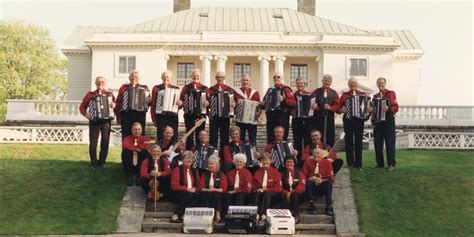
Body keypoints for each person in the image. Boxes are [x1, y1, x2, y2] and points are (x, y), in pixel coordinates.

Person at [79, 76, 115, 169]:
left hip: (106, 121)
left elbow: (116, 104)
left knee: (105, 142)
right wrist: (86, 115)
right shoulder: (90, 94)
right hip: (94, 121)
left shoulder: (109, 94)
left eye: (102, 82)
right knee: (93, 142)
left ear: (105, 83)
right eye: (99, 82)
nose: (101, 83)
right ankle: (93, 162)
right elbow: (82, 106)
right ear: (95, 83)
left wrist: (114, 105)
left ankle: (102, 162)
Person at [369, 77, 399, 171]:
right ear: (377, 84)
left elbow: (396, 107)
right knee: (377, 143)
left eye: (382, 82)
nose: (380, 84)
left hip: (388, 122)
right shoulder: (375, 96)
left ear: (385, 83)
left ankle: (391, 164)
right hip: (378, 123)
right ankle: (380, 163)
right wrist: (370, 110)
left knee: (390, 143)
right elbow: (372, 108)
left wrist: (389, 108)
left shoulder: (390, 93)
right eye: (378, 83)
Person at [339, 77, 368, 170]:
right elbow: (339, 108)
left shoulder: (363, 94)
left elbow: (369, 107)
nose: (353, 84)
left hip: (359, 121)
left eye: (354, 83)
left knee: (359, 142)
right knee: (348, 142)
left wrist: (367, 113)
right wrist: (341, 110)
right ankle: (350, 163)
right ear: (348, 85)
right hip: (348, 120)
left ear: (357, 84)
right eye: (351, 83)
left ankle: (358, 164)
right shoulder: (344, 95)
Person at [177, 69, 208, 149]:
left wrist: (207, 103)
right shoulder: (186, 87)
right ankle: (188, 152)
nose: (196, 77)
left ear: (200, 77)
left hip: (201, 115)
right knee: (189, 134)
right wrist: (181, 103)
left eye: (197, 76)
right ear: (191, 76)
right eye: (194, 75)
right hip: (189, 115)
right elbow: (182, 99)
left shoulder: (204, 88)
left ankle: (199, 150)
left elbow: (209, 101)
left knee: (200, 134)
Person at [261, 72, 296, 143]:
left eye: (278, 77)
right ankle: (271, 151)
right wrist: (263, 104)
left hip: (282, 115)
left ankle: (283, 151)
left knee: (282, 135)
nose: (276, 78)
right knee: (270, 135)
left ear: (282, 78)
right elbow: (265, 102)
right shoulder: (269, 90)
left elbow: (293, 102)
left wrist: (284, 100)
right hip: (271, 115)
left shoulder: (286, 89)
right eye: (274, 77)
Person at [115, 70, 150, 140]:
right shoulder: (124, 87)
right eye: (132, 76)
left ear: (139, 78)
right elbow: (118, 102)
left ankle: (140, 150)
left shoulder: (144, 87)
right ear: (129, 78)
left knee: (140, 134)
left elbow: (148, 102)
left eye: (136, 77)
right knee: (126, 134)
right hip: (126, 114)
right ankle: (126, 150)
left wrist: (149, 101)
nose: (134, 78)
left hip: (140, 114)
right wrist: (118, 116)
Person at [207, 71, 236, 150]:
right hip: (214, 116)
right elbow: (207, 102)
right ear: (216, 78)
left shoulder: (229, 90)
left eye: (222, 77)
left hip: (225, 116)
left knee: (224, 137)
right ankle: (213, 154)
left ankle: (224, 156)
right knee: (213, 136)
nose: (220, 79)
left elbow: (235, 101)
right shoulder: (210, 90)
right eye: (218, 77)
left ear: (224, 78)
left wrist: (234, 103)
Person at [303, 148, 335, 216]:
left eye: (318, 153)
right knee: (308, 182)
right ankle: (311, 205)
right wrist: (310, 178)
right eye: (314, 153)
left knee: (329, 183)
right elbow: (303, 176)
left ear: (322, 154)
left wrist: (322, 180)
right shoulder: (308, 162)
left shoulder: (327, 163)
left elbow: (331, 177)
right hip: (312, 186)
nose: (316, 155)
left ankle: (328, 207)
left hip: (322, 186)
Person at [170, 151, 200, 223]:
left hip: (191, 193)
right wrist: (187, 189)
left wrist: (195, 189)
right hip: (178, 192)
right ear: (182, 160)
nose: (189, 160)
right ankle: (176, 215)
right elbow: (174, 185)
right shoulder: (177, 169)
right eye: (186, 158)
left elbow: (199, 184)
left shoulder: (194, 171)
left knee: (197, 194)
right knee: (188, 194)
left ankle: (184, 215)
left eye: (191, 159)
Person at [252, 152, 283, 223]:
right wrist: (257, 189)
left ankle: (263, 214)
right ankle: (256, 214)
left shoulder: (276, 173)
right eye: (263, 160)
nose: (265, 161)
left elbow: (278, 188)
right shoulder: (257, 173)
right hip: (260, 194)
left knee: (267, 193)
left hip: (272, 194)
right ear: (261, 161)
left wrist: (266, 190)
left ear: (270, 161)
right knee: (257, 193)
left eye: (267, 160)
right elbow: (253, 186)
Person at [311, 74, 340, 147]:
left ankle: (329, 155)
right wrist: (315, 105)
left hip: (329, 118)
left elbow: (337, 105)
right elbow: (312, 101)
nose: (327, 83)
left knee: (329, 137)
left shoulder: (334, 93)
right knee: (317, 137)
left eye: (328, 81)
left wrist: (330, 107)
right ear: (322, 81)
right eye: (325, 81)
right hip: (317, 118)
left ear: (331, 82)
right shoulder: (316, 91)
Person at [150, 70, 180, 141]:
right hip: (161, 115)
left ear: (170, 78)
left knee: (174, 136)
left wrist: (180, 103)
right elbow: (153, 103)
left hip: (173, 116)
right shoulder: (156, 88)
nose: (166, 79)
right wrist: (153, 118)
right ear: (161, 78)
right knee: (161, 135)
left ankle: (173, 151)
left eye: (168, 77)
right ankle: (161, 151)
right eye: (164, 77)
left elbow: (179, 104)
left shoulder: (176, 88)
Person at [199, 155, 228, 223]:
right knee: (206, 194)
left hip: (218, 194)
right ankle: (206, 216)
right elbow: (201, 188)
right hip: (207, 192)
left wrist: (213, 189)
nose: (210, 165)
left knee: (216, 194)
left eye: (212, 164)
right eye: (208, 164)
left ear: (216, 165)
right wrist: (208, 190)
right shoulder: (204, 175)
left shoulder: (221, 175)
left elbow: (223, 189)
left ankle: (218, 215)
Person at [233, 74, 261, 145]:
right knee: (240, 138)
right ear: (241, 81)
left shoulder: (255, 93)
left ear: (250, 81)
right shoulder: (236, 92)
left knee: (252, 138)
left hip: (252, 120)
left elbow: (258, 107)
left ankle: (252, 153)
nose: (245, 82)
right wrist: (234, 108)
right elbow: (233, 105)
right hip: (240, 119)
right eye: (244, 80)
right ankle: (240, 152)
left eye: (247, 80)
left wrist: (258, 114)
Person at [292, 78, 313, 163]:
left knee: (308, 140)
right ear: (296, 84)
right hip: (297, 120)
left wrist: (315, 106)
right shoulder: (293, 95)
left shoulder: (310, 94)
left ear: (305, 84)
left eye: (301, 83)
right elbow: (290, 105)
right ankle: (298, 161)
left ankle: (307, 160)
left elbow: (314, 105)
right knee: (297, 141)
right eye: (298, 83)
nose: (300, 85)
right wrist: (291, 110)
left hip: (308, 120)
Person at [281, 156, 306, 224]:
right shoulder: (282, 174)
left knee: (294, 194)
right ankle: (286, 214)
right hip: (286, 196)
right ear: (285, 164)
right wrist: (286, 193)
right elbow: (280, 186)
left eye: (291, 162)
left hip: (298, 196)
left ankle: (296, 215)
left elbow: (302, 187)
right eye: (287, 162)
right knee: (282, 194)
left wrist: (291, 192)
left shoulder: (299, 173)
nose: (289, 164)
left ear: (294, 163)